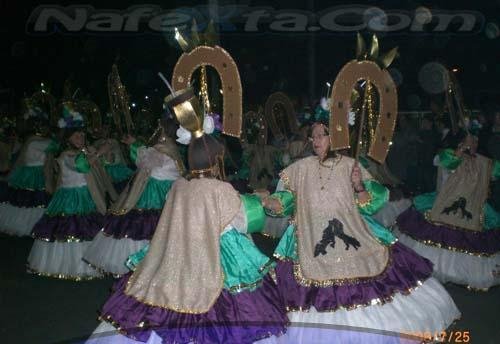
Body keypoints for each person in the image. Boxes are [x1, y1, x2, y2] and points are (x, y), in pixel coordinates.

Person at [86, 88, 288, 344]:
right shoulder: (220, 188)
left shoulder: (180, 186)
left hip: (179, 250)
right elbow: (243, 220)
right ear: (215, 161)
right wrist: (259, 200)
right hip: (219, 253)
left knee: (169, 295)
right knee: (228, 305)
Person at [261, 120, 460, 341]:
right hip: (308, 238)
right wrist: (273, 203)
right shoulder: (299, 168)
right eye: (313, 136)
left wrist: (358, 185)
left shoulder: (350, 165)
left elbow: (372, 204)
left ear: (333, 139)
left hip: (351, 231)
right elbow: (286, 201)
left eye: (320, 136)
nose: (315, 141)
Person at [396, 130, 500, 290]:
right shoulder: (447, 155)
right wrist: (462, 150)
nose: (474, 143)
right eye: (471, 140)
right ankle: (435, 273)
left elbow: (495, 171)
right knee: (440, 239)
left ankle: (462, 274)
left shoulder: (485, 162)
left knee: (467, 241)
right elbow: (446, 162)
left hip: (473, 207)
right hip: (442, 203)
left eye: (476, 141)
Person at [83, 118, 184, 276]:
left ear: (162, 130)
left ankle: (147, 265)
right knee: (160, 226)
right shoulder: (174, 147)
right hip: (170, 189)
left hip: (155, 190)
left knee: (143, 225)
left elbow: (144, 162)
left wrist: (134, 144)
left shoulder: (162, 147)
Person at [27, 103, 112, 280]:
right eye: (76, 135)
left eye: (82, 134)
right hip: (69, 198)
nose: (80, 136)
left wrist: (104, 150)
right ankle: (70, 267)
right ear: (68, 138)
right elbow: (80, 166)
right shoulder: (66, 154)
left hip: (88, 196)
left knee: (88, 229)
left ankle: (92, 264)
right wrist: (98, 154)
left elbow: (107, 162)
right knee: (70, 230)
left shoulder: (86, 151)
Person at [0, 101, 59, 236]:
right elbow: (43, 163)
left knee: (26, 202)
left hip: (27, 172)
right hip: (34, 172)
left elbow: (22, 159)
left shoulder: (33, 139)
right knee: (32, 201)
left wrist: (12, 173)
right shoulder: (48, 142)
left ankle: (25, 226)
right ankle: (31, 227)